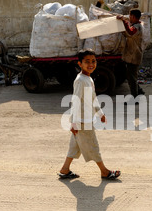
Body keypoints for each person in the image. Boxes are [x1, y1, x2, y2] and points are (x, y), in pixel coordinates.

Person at [58, 49, 121, 181]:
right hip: (82, 121)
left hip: (84, 120)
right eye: (87, 62)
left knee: (74, 146)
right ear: (80, 64)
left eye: (93, 61)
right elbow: (75, 101)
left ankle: (65, 170)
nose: (91, 64)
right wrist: (74, 123)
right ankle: (104, 171)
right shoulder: (81, 80)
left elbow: (93, 99)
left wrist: (100, 114)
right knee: (93, 146)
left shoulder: (88, 78)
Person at [117, 9, 145, 98]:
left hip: (134, 56)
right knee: (131, 76)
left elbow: (130, 32)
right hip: (132, 55)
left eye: (130, 16)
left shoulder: (137, 27)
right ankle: (139, 91)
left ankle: (134, 97)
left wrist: (124, 21)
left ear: (133, 16)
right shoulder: (135, 25)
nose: (129, 18)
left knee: (131, 77)